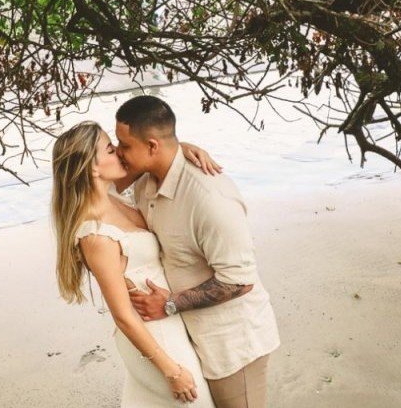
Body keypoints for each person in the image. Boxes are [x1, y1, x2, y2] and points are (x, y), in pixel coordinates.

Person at [117, 96, 279, 408]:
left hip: (232, 345)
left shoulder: (210, 199)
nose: (119, 152)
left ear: (152, 146)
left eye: (124, 145)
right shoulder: (145, 181)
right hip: (189, 337)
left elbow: (239, 280)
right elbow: (97, 183)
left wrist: (169, 304)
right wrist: (179, 147)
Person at [51, 121, 223, 405]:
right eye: (110, 149)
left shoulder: (113, 196)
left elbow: (152, 156)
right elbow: (122, 314)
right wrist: (170, 371)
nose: (119, 152)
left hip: (167, 321)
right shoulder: (96, 235)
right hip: (153, 335)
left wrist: (181, 148)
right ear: (93, 168)